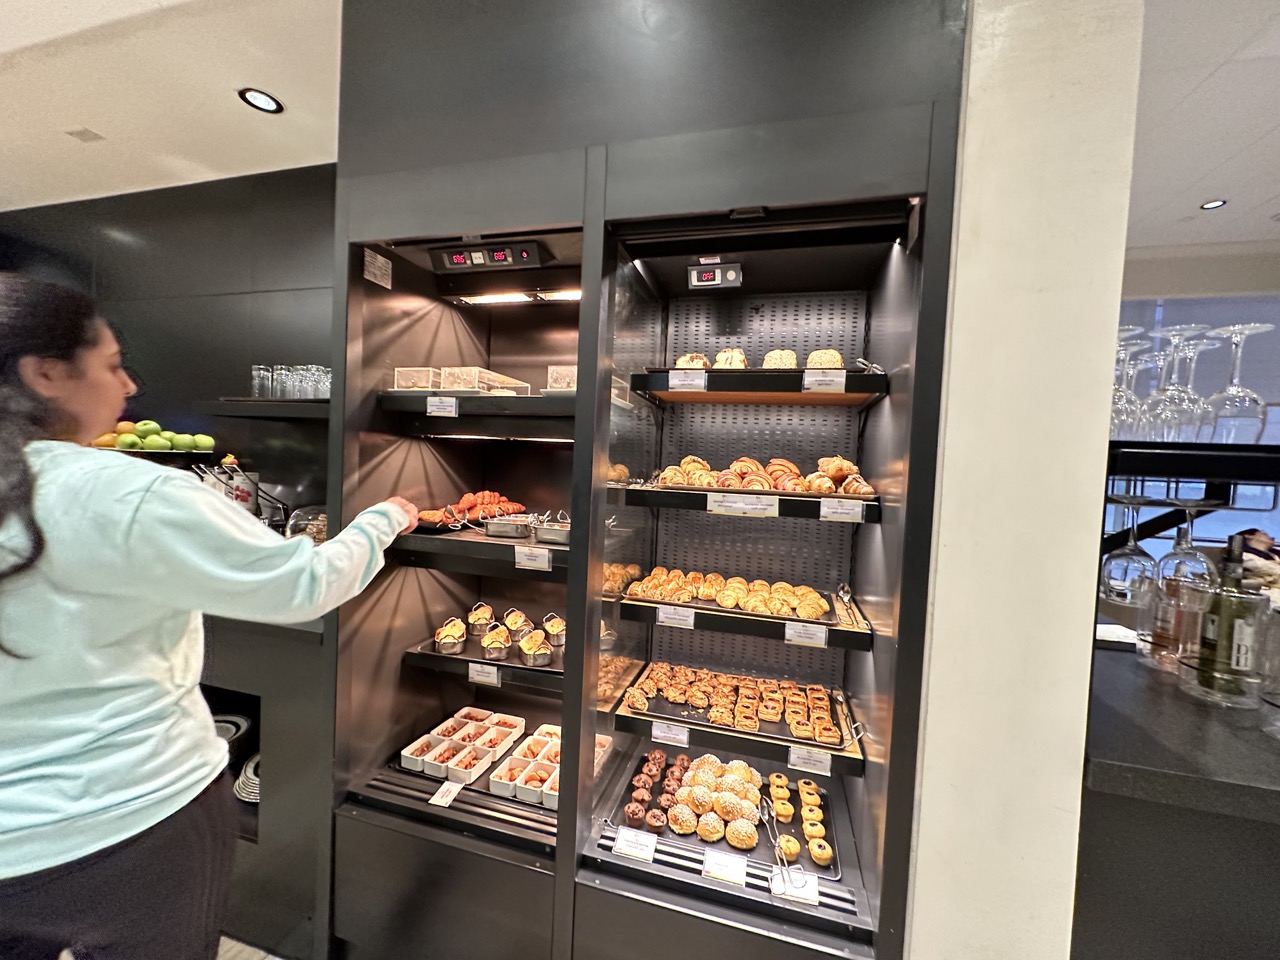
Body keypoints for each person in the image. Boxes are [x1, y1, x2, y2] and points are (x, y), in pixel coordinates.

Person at [0, 273, 418, 960]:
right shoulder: (124, 489)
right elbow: (300, 583)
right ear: (46, 373)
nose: (130, 386)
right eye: (111, 365)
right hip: (133, 818)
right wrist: (384, 519)